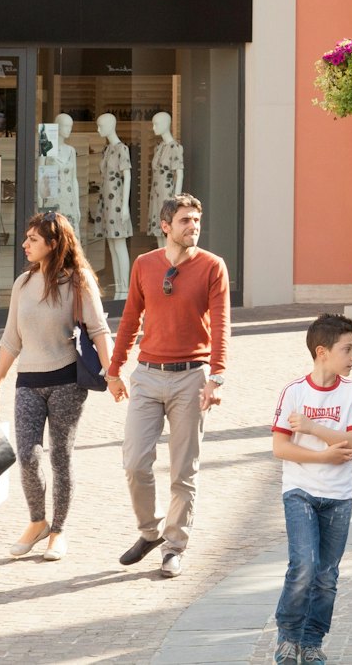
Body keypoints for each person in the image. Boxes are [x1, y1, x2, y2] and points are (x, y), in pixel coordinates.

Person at [108, 193, 230, 577]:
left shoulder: (213, 266)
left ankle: (174, 546)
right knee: (134, 463)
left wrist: (217, 377)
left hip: (191, 378)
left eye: (196, 220)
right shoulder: (145, 265)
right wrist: (114, 371)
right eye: (185, 221)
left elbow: (222, 324)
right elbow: (129, 319)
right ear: (165, 226)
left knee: (183, 471)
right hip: (146, 375)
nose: (193, 226)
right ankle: (150, 532)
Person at [0, 211, 112, 561]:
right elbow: (11, 338)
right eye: (26, 238)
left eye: (33, 239)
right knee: (26, 455)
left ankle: (58, 530)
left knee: (60, 456)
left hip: (67, 382)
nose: (25, 244)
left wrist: (113, 374)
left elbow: (100, 330)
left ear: (53, 244)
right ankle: (37, 521)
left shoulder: (78, 281)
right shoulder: (22, 284)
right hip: (28, 381)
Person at [270, 313, 352, 665]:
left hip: (340, 497)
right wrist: (326, 455)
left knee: (326, 576)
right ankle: (287, 637)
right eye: (348, 349)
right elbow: (280, 448)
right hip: (300, 491)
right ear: (322, 351)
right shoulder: (293, 392)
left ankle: (312, 643)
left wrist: (312, 428)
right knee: (304, 566)